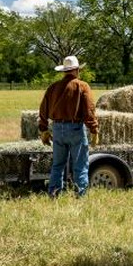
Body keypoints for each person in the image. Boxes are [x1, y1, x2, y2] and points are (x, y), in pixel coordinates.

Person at [38, 55, 99, 198]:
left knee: (58, 165)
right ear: (77, 70)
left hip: (58, 129)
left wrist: (44, 129)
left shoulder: (53, 88)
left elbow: (43, 109)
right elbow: (89, 110)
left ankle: (54, 194)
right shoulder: (82, 86)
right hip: (76, 129)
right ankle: (80, 195)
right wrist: (94, 129)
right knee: (80, 165)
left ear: (64, 71)